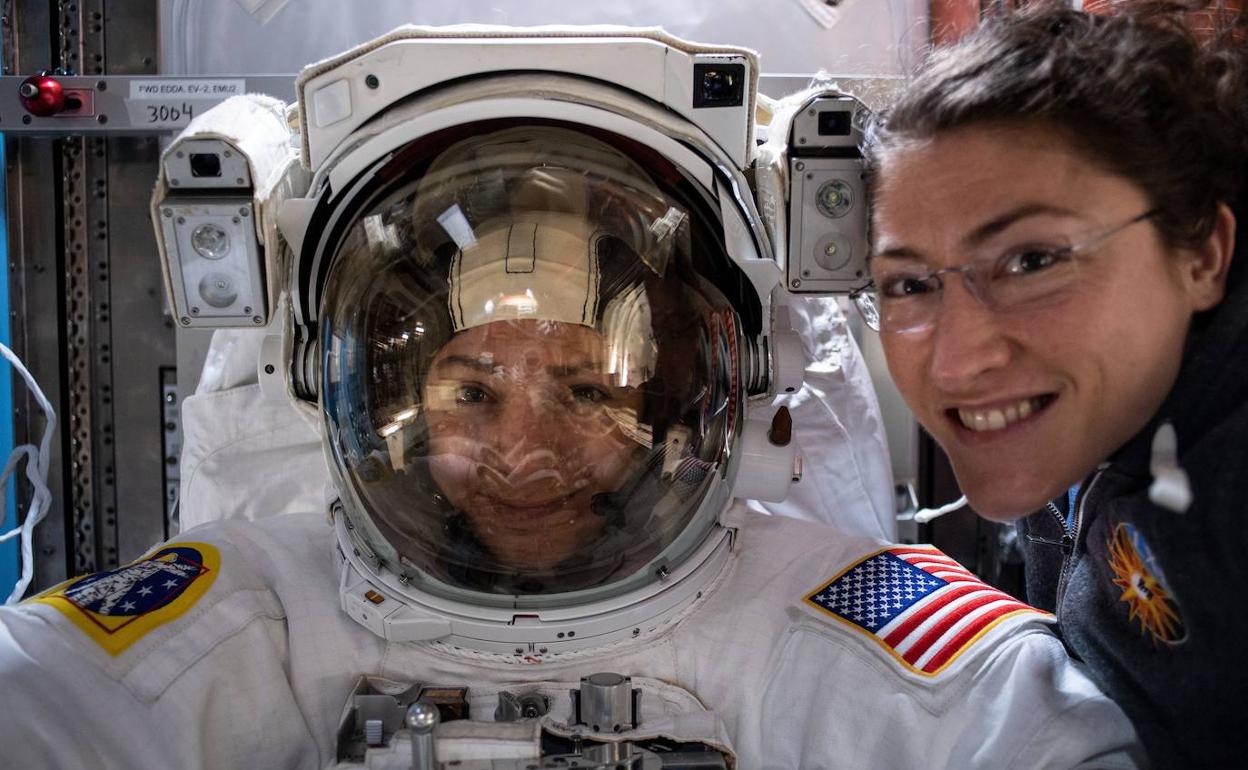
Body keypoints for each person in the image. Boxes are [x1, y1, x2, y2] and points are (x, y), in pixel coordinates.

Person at [0, 64, 1141, 770]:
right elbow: (48, 700)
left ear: (689, 401)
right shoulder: (268, 608)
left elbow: (1014, 726)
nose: (523, 452)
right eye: (469, 390)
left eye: (591, 391)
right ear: (365, 397)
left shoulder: (805, 614)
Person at [856, 2, 1248, 766]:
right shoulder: (1092, 416)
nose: (956, 362)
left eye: (1033, 262)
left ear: (1201, 256)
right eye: (907, 284)